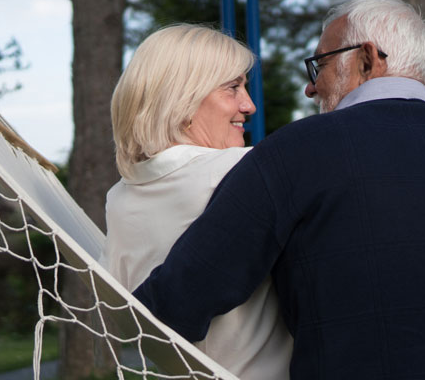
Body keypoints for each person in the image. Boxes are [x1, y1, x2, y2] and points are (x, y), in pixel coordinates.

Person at [133, 0, 425, 379]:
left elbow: (179, 299)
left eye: (321, 65)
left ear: (368, 58)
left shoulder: (294, 152)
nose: (311, 88)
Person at [99, 24, 293, 379]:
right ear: (182, 100)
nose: (248, 105)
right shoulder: (248, 172)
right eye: (232, 88)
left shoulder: (120, 198)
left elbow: (128, 324)